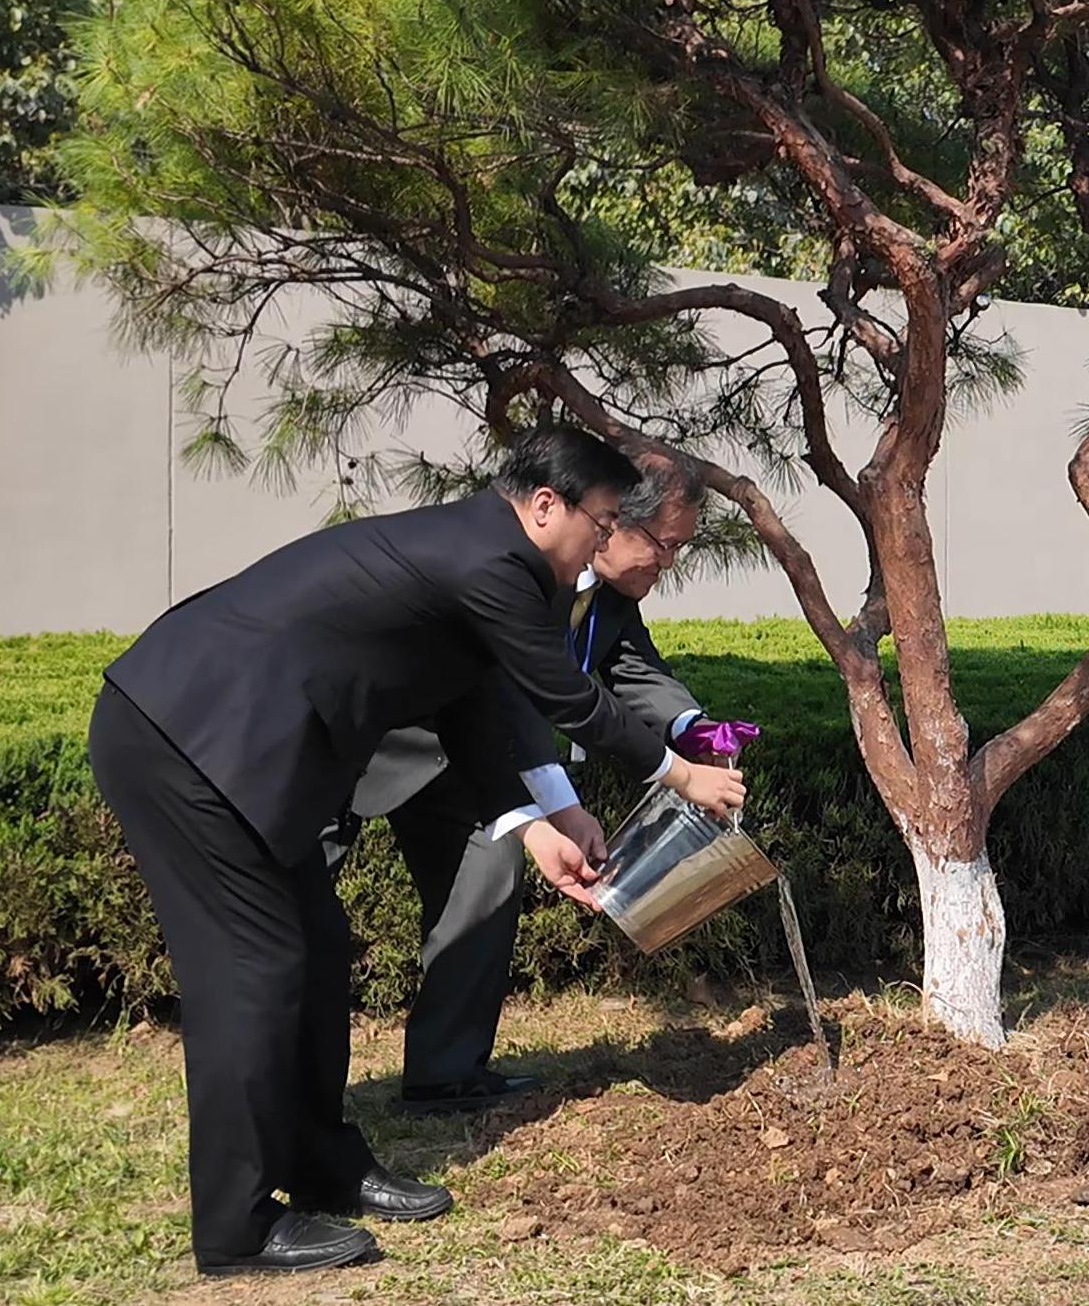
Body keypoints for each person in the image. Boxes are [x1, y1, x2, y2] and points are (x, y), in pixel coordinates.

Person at [86, 426, 746, 1275]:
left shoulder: (489, 556)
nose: (605, 539)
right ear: (547, 505)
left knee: (317, 948)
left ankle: (320, 1161)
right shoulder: (489, 560)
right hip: (187, 738)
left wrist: (535, 822)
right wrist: (679, 772)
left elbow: (472, 711)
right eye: (605, 519)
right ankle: (234, 1225)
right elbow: (568, 699)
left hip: (234, 745)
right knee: (254, 971)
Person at [328, 465, 732, 1114]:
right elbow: (525, 698)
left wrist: (694, 730)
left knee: (488, 871)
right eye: (664, 543)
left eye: (680, 546)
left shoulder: (611, 598)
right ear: (611, 523)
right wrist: (581, 801)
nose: (669, 562)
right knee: (295, 914)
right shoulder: (524, 573)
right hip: (367, 737)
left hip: (472, 752)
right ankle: (295, 1100)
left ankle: (445, 1075)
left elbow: (633, 670)